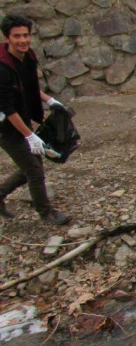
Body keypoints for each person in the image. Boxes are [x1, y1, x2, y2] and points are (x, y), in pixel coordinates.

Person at [0, 14, 71, 224]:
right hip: (4, 126)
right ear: (7, 38)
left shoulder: (27, 57)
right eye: (17, 36)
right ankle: (46, 212)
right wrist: (30, 136)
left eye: (26, 35)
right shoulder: (2, 68)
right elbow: (7, 108)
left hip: (20, 118)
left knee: (29, 168)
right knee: (34, 170)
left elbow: (30, 86)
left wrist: (51, 101)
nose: (23, 40)